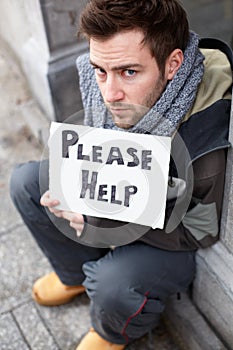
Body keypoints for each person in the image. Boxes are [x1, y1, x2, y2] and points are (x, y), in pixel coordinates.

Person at [10, 0, 233, 349]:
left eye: (129, 72)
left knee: (113, 285)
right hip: (118, 202)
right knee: (26, 183)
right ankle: (73, 276)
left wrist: (101, 219)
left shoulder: (205, 120)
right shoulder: (108, 80)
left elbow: (200, 229)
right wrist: (83, 191)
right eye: (101, 70)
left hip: (173, 239)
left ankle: (112, 330)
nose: (109, 93)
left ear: (173, 64)